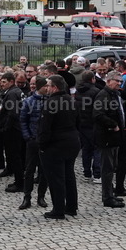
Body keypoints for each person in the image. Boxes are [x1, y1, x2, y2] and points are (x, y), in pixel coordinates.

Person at [39, 74, 80, 219]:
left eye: (48, 85)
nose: (46, 88)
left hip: (55, 145)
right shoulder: (72, 100)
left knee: (56, 178)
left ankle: (58, 209)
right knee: (69, 175)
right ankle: (71, 206)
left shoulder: (51, 103)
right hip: (72, 141)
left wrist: (41, 145)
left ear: (55, 87)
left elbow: (45, 128)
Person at [93, 71, 126, 209]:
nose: (119, 84)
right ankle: (107, 197)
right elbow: (98, 114)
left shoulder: (115, 94)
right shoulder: (103, 95)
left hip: (114, 137)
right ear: (108, 81)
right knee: (107, 168)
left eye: (121, 81)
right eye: (117, 81)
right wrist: (113, 125)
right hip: (106, 136)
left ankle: (110, 193)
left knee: (112, 167)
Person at [18, 76, 49, 209]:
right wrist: (28, 137)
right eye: (45, 86)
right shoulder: (29, 101)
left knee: (44, 171)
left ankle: (41, 196)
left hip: (45, 141)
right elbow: (23, 120)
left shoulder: (50, 101)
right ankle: (27, 197)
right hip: (32, 140)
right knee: (29, 170)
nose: (47, 88)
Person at [0, 72, 26, 193]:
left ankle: (20, 183)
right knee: (16, 156)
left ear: (11, 82)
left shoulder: (12, 93)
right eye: (1, 82)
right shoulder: (16, 91)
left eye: (4, 82)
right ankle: (18, 180)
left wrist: (5, 128)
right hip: (17, 128)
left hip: (13, 130)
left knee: (15, 157)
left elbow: (13, 113)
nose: (1, 84)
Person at [74, 71, 100, 182]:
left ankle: (87, 173)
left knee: (86, 149)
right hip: (92, 123)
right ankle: (97, 174)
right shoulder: (96, 91)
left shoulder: (78, 91)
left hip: (82, 123)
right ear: (92, 79)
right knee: (96, 148)